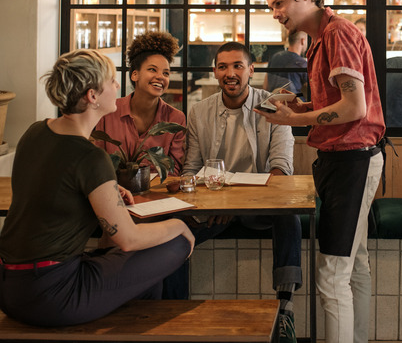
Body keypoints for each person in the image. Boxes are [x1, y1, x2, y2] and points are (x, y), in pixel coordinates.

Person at [0, 50, 194, 327]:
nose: (117, 87)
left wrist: (109, 189)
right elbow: (129, 239)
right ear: (92, 96)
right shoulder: (90, 157)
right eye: (112, 81)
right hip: (52, 295)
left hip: (9, 287)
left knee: (140, 273)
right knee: (175, 242)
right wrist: (179, 226)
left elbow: (57, 187)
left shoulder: (35, 132)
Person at [260, 0, 385, 343]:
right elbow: (338, 103)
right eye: (271, 6)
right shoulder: (321, 40)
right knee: (354, 265)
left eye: (279, 3)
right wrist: (301, 109)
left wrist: (294, 119)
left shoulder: (337, 33)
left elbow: (354, 108)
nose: (276, 13)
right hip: (346, 157)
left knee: (331, 274)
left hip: (352, 159)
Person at [183, 41, 301, 342]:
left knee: (290, 217)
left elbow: (281, 170)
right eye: (223, 66)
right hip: (213, 206)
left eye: (238, 66)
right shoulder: (199, 112)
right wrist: (212, 203)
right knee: (172, 234)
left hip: (259, 206)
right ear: (215, 72)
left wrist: (235, 203)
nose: (230, 73)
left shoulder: (275, 107)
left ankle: (285, 309)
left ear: (251, 70)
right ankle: (172, 309)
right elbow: (191, 169)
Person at [94, 31, 185, 176]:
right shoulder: (109, 111)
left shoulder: (175, 119)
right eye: (152, 70)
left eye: (166, 73)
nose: (160, 77)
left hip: (158, 194)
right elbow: (97, 162)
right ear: (134, 74)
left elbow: (173, 171)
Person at [264, 29, 308, 94]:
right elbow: (313, 86)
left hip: (273, 101)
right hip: (293, 101)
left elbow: (265, 86)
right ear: (303, 41)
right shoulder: (301, 63)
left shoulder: (275, 56)